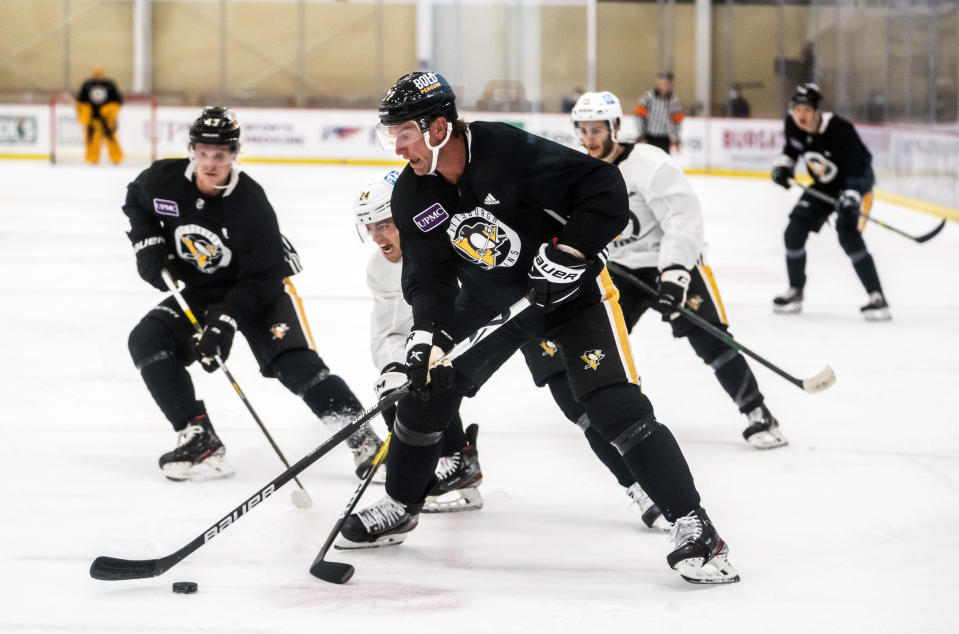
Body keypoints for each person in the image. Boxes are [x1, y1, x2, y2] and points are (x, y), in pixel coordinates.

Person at [337, 72, 740, 585]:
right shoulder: (415, 195)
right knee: (425, 394)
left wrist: (570, 253)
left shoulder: (504, 148)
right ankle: (400, 504)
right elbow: (429, 276)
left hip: (573, 297)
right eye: (390, 134)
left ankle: (694, 525)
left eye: (405, 133)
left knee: (611, 404)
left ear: (438, 126)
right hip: (490, 303)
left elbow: (603, 188)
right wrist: (426, 337)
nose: (398, 147)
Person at [122, 106, 383, 482]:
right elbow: (136, 199)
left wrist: (223, 323)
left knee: (293, 364)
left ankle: (365, 441)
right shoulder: (164, 180)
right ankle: (199, 436)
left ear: (234, 155)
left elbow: (262, 278)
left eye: (221, 156)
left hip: (259, 292)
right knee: (147, 340)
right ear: (192, 150)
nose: (211, 164)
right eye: (203, 154)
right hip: (202, 289)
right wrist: (147, 244)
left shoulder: (250, 204)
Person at [570, 90, 786, 450]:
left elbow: (683, 219)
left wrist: (674, 274)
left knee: (713, 342)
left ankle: (758, 412)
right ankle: (608, 412)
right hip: (622, 272)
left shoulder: (650, 164)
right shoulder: (582, 169)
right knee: (599, 341)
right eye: (584, 130)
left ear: (615, 128)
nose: (590, 139)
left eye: (597, 130)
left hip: (671, 264)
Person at [354, 169, 484, 511]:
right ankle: (453, 464)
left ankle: (451, 460)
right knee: (408, 382)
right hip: (436, 339)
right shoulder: (379, 269)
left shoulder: (447, 245)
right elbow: (387, 331)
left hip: (488, 325)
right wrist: (394, 367)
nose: (378, 237)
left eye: (384, 224)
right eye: (371, 228)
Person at [770, 83, 890, 320]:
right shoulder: (793, 125)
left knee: (848, 236)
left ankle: (878, 298)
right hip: (822, 188)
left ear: (816, 111)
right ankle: (796, 290)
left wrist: (853, 193)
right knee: (793, 233)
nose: (800, 115)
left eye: (805, 109)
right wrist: (784, 168)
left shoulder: (839, 129)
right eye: (796, 109)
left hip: (851, 187)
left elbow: (863, 164)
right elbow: (792, 150)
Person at [76, 65, 124, 165]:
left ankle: (116, 157)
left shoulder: (109, 84)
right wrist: (83, 113)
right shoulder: (87, 85)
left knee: (111, 137)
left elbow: (118, 101)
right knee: (91, 139)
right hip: (92, 117)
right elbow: (81, 102)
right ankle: (92, 158)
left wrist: (110, 110)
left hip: (106, 118)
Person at [634, 71, 683, 154]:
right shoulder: (648, 98)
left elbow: (677, 121)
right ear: (658, 82)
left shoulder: (674, 101)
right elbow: (639, 116)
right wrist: (641, 133)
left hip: (665, 138)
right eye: (662, 82)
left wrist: (675, 137)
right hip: (650, 136)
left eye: (666, 83)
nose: (664, 84)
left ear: (670, 84)